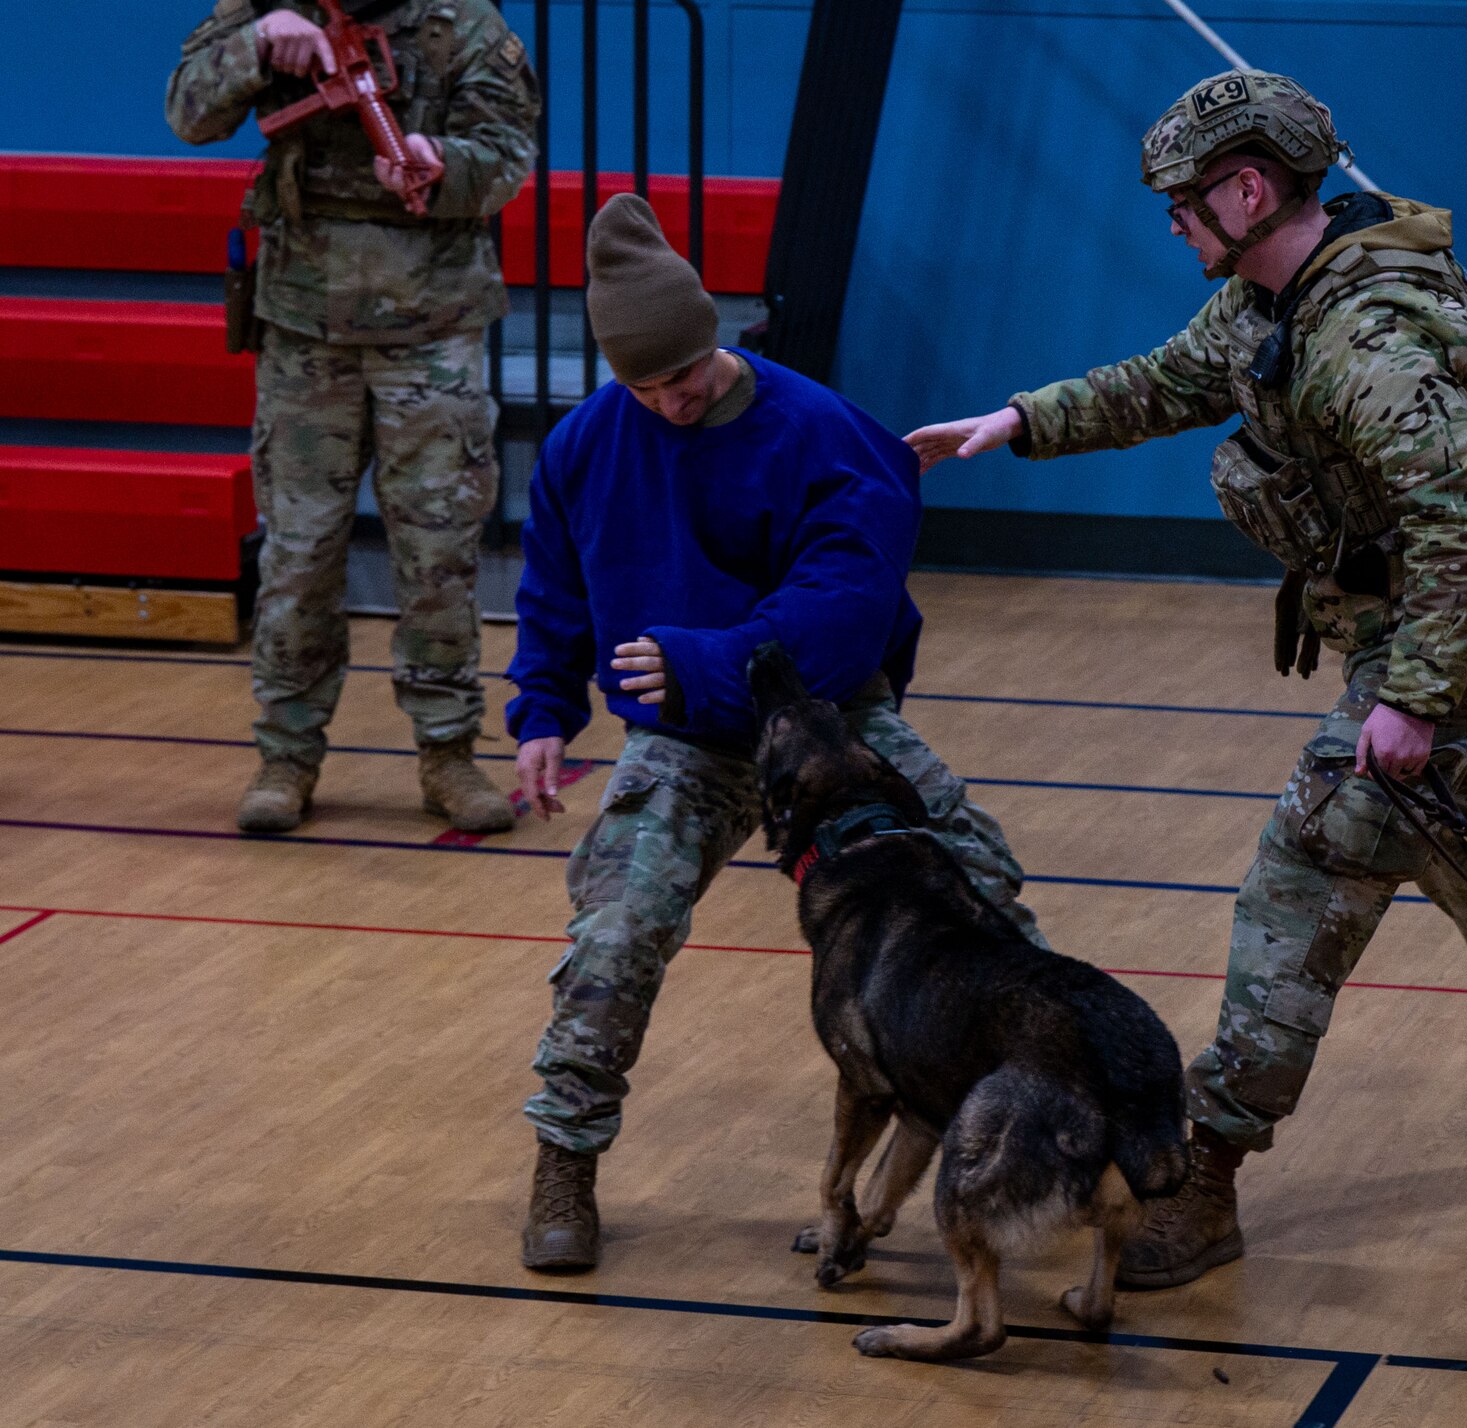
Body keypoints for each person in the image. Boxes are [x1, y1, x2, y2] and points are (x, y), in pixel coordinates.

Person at [905, 70, 1467, 1291]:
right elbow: (1165, 380)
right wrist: (1015, 420)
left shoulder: (1364, 341)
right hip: (1412, 636)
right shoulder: (1275, 301)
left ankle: (1204, 1181)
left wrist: (1411, 699)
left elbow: (1466, 525)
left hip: (1439, 639)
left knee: (1301, 876)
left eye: (1182, 203)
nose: (1171, 224)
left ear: (1247, 190)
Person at [508, 195, 1049, 1272]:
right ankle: (564, 1161)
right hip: (685, 739)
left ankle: (1009, 1138)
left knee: (988, 907)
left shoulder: (827, 436)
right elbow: (553, 592)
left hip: (828, 725)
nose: (673, 399)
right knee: (614, 933)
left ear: (720, 335)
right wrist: (541, 712)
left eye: (690, 374)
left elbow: (846, 616)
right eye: (647, 384)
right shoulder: (583, 447)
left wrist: (709, 658)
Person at [167, 0, 538, 834]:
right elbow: (189, 111)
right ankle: (286, 756)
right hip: (304, 322)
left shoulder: (464, 22)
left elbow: (510, 156)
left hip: (432, 326)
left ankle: (448, 752)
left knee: (437, 553)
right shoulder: (261, 10)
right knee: (298, 553)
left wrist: (437, 158)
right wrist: (260, 47)